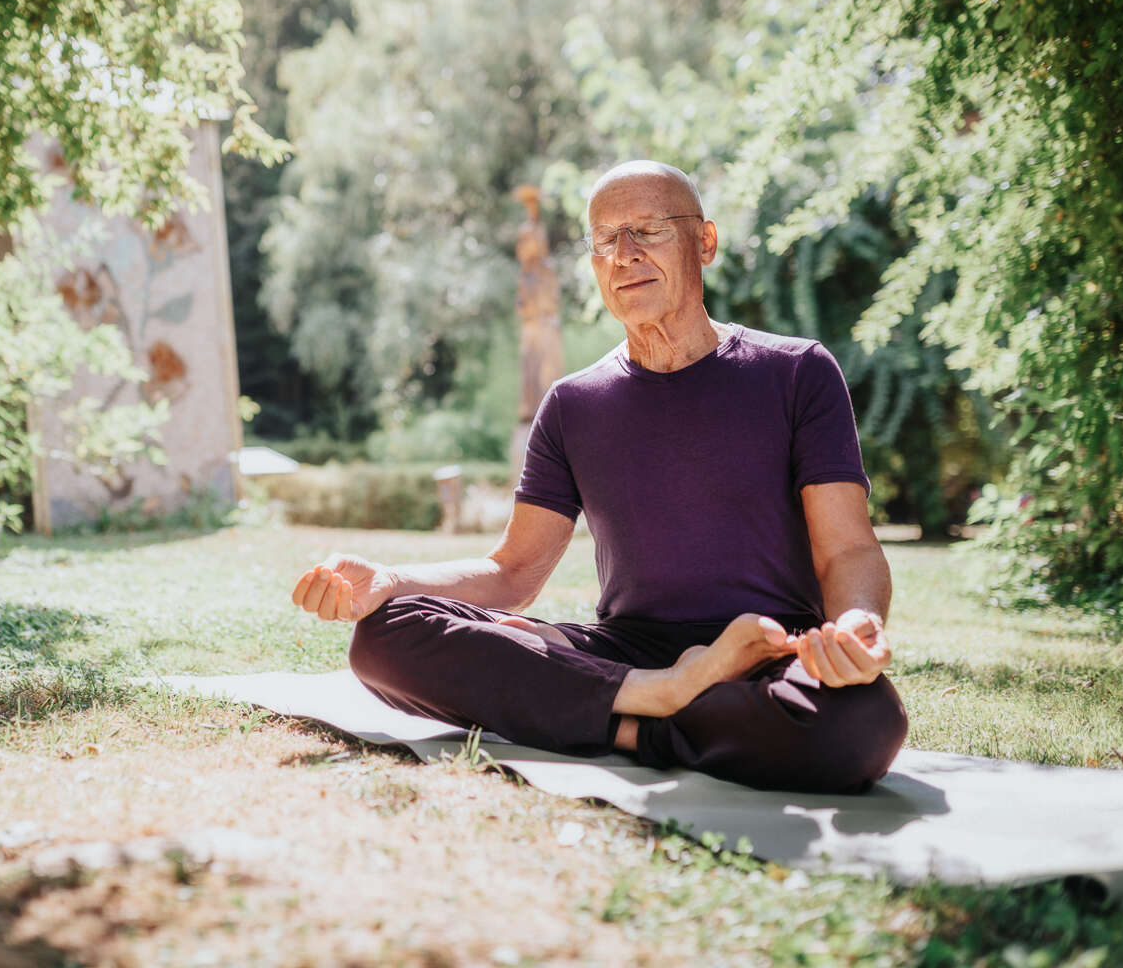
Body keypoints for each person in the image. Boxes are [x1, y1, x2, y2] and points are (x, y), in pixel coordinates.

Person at [290, 160, 907, 793]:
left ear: (706, 241)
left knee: (862, 722)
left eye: (648, 229)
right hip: (625, 655)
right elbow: (513, 573)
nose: (624, 255)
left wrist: (857, 625)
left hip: (766, 652)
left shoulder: (798, 372)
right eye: (605, 239)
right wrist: (392, 581)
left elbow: (848, 550)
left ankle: (626, 722)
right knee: (389, 635)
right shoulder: (572, 404)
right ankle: (661, 696)